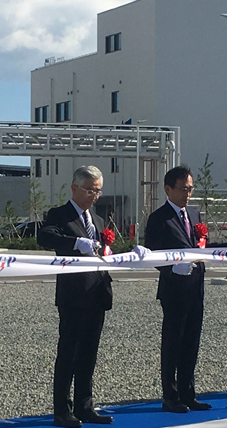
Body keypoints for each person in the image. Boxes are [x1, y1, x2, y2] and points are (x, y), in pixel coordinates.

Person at [38, 165, 149, 427]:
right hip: (73, 295)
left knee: (89, 354)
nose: (94, 196)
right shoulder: (60, 215)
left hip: (97, 293)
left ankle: (84, 405)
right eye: (89, 190)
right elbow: (45, 237)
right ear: (74, 188)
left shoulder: (98, 220)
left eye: (98, 191)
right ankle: (62, 410)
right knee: (68, 353)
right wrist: (76, 243)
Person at [144, 165, 227, 413]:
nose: (187, 194)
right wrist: (171, 269)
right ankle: (170, 395)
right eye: (183, 189)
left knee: (191, 342)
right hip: (174, 289)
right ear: (168, 189)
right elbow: (152, 254)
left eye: (190, 189)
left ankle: (188, 393)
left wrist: (225, 246)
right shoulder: (159, 218)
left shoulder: (194, 214)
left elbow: (201, 246)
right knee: (173, 343)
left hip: (195, 288)